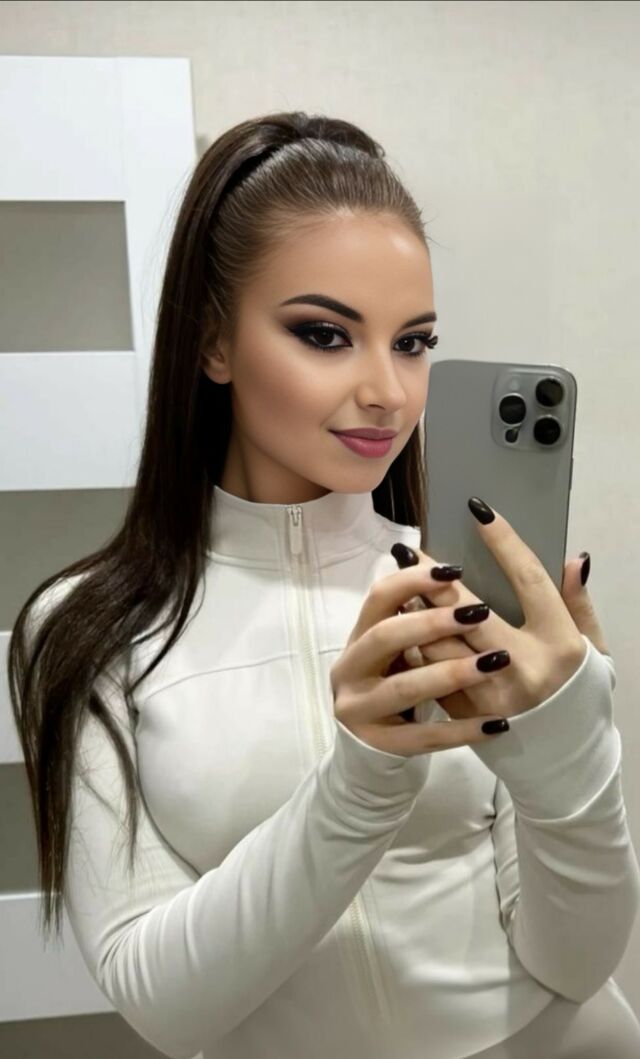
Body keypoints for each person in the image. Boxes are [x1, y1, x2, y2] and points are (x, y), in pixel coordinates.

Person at [9, 111, 640, 1059]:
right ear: (213, 343)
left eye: (414, 342)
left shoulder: (463, 592)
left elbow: (578, 962)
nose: (389, 390)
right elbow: (163, 1005)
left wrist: (572, 748)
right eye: (325, 334)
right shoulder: (83, 630)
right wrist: (359, 781)